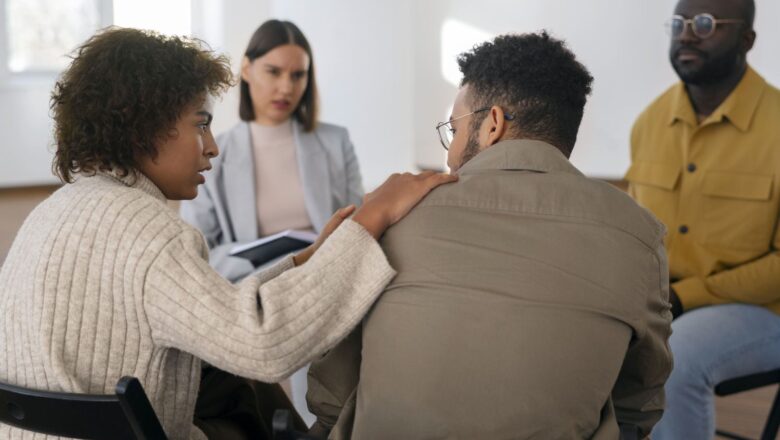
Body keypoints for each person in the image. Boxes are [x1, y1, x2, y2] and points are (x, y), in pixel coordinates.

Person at [0, 27, 456, 439]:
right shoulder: (151, 232)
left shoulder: (50, 212)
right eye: (200, 124)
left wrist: (309, 258)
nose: (212, 146)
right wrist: (372, 217)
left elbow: (214, 312)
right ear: (144, 129)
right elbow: (265, 346)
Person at [306, 32, 673, 439]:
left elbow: (331, 394)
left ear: (493, 124)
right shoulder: (638, 235)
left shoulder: (395, 213)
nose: (450, 155)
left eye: (454, 130)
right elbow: (639, 403)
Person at [624, 0, 780, 437]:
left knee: (675, 359)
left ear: (747, 39)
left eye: (706, 24)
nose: (688, 34)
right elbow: (634, 234)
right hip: (663, 302)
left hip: (763, 308)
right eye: (679, 23)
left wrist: (684, 295)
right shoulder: (650, 121)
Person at [180, 19, 363, 283]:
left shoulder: (337, 141)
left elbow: (358, 227)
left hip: (327, 275)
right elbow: (197, 254)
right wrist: (285, 262)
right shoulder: (210, 154)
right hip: (255, 284)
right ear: (246, 70)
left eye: (298, 75)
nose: (286, 88)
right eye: (274, 72)